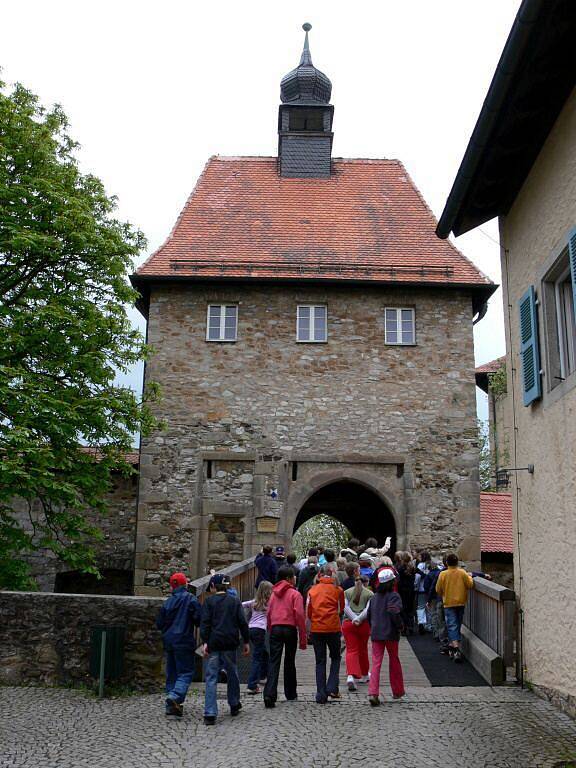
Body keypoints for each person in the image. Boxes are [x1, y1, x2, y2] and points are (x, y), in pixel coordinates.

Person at [200, 573, 250, 725]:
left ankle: (210, 712)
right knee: (232, 672)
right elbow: (242, 622)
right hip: (230, 642)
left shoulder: (209, 602)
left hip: (214, 642)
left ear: (214, 586)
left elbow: (205, 624)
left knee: (211, 677)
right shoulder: (234, 601)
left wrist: (205, 642)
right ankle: (234, 703)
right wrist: (246, 641)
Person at [156, 572, 202, 717]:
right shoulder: (190, 599)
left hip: (169, 641)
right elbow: (198, 619)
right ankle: (175, 696)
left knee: (172, 673)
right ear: (185, 584)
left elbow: (159, 624)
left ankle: (172, 706)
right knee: (186, 672)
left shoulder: (167, 602)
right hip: (184, 640)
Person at [263, 565, 307, 708]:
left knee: (273, 661)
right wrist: (303, 636)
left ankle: (269, 694)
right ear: (289, 579)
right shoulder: (295, 594)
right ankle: (290, 692)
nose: (295, 578)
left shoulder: (273, 595)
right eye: (294, 576)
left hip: (276, 628)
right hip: (289, 629)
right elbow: (300, 616)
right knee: (289, 661)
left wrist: (270, 629)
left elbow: (269, 613)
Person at [307, 565, 345, 704]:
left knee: (320, 661)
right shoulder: (338, 590)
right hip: (333, 627)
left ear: (319, 574)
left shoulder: (312, 590)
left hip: (317, 628)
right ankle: (331, 686)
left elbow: (309, 612)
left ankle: (321, 694)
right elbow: (341, 609)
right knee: (335, 657)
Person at [367, 569, 405, 705]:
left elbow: (369, 614)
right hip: (390, 632)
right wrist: (400, 625)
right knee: (394, 661)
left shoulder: (374, 597)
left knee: (376, 663)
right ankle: (397, 691)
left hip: (377, 632)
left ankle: (373, 692)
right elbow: (393, 612)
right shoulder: (394, 596)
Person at [435, 553, 474, 662]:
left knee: (452, 624)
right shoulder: (462, 573)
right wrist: (470, 577)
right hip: (461, 602)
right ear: (457, 562)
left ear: (446, 563)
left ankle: (455, 647)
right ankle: (455, 646)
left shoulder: (443, 574)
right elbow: (470, 585)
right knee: (458, 623)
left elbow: (438, 589)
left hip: (448, 603)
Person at [342, 573, 373, 691]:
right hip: (363, 625)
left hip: (348, 624)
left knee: (351, 650)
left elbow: (345, 607)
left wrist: (353, 618)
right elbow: (367, 610)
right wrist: (359, 619)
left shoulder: (346, 592)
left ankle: (351, 676)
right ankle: (364, 674)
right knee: (363, 649)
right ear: (366, 583)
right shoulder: (370, 594)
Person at [242, 580, 273, 695]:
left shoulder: (254, 602)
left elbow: (241, 605)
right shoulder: (269, 604)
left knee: (263, 653)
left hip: (250, 629)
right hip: (260, 630)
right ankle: (252, 685)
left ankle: (262, 675)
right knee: (257, 657)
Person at [397, 551, 416, 635]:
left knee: (403, 609)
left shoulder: (400, 568)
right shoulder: (413, 568)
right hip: (411, 590)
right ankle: (411, 627)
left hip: (402, 590)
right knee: (410, 608)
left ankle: (404, 628)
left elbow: (398, 579)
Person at [415, 551, 432, 633]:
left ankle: (421, 622)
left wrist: (416, 587)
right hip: (429, 589)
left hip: (421, 589)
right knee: (429, 608)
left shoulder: (420, 566)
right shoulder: (431, 565)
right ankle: (429, 625)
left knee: (421, 607)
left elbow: (417, 578)